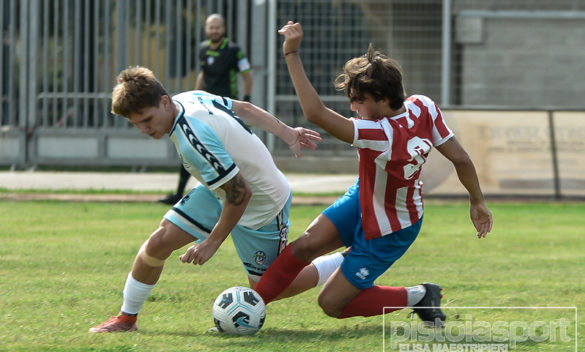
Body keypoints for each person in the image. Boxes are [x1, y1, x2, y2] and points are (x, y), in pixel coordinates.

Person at [253, 22, 493, 326]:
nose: (353, 107)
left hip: (392, 228)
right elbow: (461, 158)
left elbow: (315, 113)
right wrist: (477, 202)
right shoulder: (423, 106)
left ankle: (418, 295)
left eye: (358, 100)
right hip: (363, 199)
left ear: (380, 97)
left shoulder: (379, 133)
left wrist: (291, 53)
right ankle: (252, 307)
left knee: (331, 304)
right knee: (304, 246)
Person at [89, 66, 346, 333]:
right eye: (136, 124)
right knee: (158, 243)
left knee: (267, 287)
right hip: (225, 188)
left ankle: (345, 261)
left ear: (164, 102)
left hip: (263, 202)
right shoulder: (188, 98)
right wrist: (287, 132)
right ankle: (126, 319)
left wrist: (212, 242)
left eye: (147, 119)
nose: (144, 129)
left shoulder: (193, 137)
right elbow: (244, 108)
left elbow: (241, 194)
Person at [160, 13, 253, 205]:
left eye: (217, 27)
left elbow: (247, 75)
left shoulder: (234, 50)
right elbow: (203, 73)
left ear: (224, 29)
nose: (214, 30)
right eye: (211, 27)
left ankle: (241, 190)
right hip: (204, 106)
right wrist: (194, 94)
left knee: (229, 147)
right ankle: (179, 193)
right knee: (191, 146)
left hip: (225, 106)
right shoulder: (202, 49)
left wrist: (245, 99)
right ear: (206, 30)